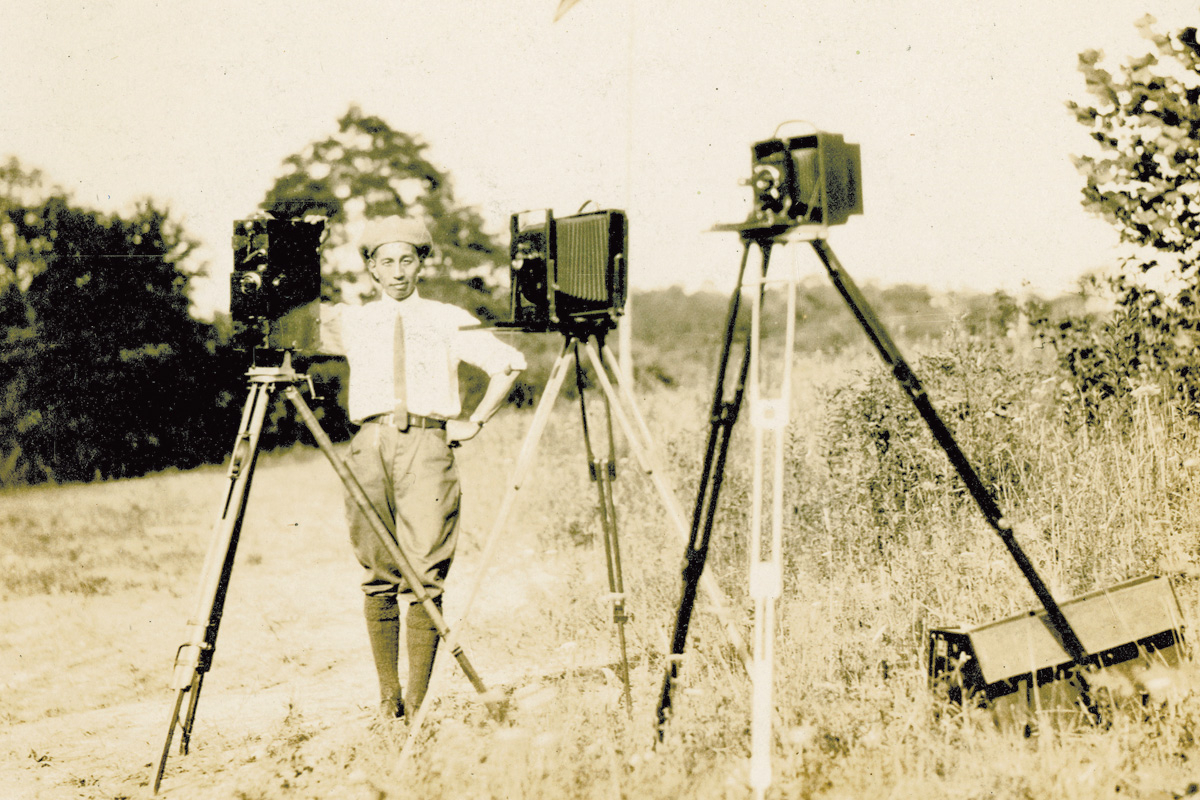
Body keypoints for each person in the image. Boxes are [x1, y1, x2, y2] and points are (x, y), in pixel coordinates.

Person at [319, 216, 526, 719]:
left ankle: (416, 704)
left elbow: (509, 364)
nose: (397, 272)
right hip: (368, 446)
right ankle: (387, 699)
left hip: (428, 446)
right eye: (386, 262)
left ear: (420, 265)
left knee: (425, 576)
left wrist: (476, 421)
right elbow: (287, 322)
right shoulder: (352, 320)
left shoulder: (446, 318)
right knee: (377, 573)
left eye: (407, 261)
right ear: (371, 269)